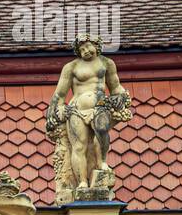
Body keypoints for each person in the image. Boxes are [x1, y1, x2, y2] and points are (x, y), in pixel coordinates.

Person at [46, 36, 132, 201]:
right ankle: (82, 183)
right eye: (81, 49)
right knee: (79, 147)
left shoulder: (106, 63)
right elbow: (60, 94)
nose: (85, 51)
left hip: (100, 106)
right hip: (76, 110)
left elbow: (115, 86)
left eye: (87, 46)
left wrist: (122, 98)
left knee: (101, 134)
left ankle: (102, 164)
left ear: (96, 45)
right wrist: (57, 110)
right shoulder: (71, 67)